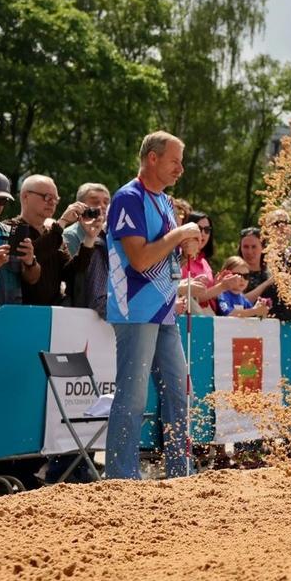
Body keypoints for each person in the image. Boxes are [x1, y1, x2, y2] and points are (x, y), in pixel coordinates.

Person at [104, 131, 204, 480]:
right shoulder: (128, 197)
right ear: (152, 158)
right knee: (132, 397)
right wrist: (180, 234)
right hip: (135, 310)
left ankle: (180, 473)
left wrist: (185, 246)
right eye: (175, 161)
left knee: (179, 393)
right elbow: (141, 259)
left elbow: (165, 253)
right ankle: (121, 478)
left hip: (164, 311)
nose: (181, 168)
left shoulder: (163, 200)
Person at [13, 174, 96, 306]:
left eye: (55, 199)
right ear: (25, 196)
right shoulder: (12, 228)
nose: (52, 203)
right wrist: (62, 222)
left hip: (53, 314)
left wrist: (90, 238)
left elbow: (71, 273)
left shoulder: (54, 236)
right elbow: (35, 255)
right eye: (47, 197)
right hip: (21, 312)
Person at [0, 171, 26, 308]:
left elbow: (32, 280)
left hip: (10, 315)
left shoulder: (11, 233)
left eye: (2, 200)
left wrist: (31, 262)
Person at [236, 227, 275, 314]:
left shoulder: (270, 272)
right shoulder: (235, 273)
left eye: (254, 247)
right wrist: (266, 284)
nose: (249, 252)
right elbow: (237, 301)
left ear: (263, 248)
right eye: (245, 247)